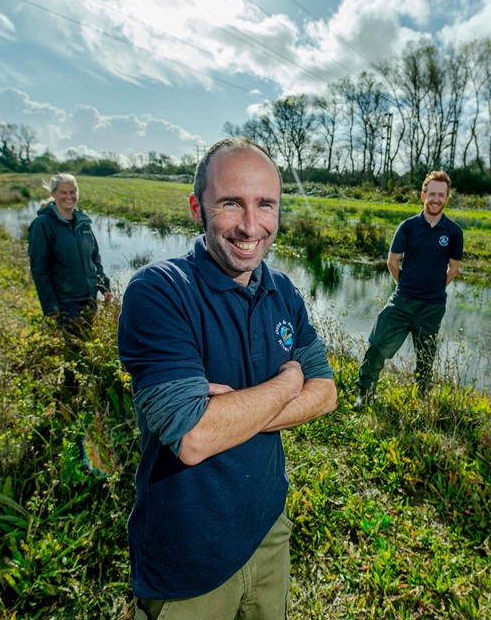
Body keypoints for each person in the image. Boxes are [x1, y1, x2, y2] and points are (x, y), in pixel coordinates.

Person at [117, 137, 337, 620]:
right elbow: (194, 439)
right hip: (187, 560)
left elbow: (325, 393)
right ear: (197, 206)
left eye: (266, 205)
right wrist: (284, 383)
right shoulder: (159, 292)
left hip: (267, 528)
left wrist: (230, 413)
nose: (250, 226)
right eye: (231, 203)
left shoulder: (283, 292)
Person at [354, 170, 464, 408]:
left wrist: (434, 288)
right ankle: (364, 391)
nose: (436, 199)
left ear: (447, 198)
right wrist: (404, 285)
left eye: (441, 195)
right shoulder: (408, 227)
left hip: (432, 307)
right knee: (378, 344)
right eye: (432, 193)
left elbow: (454, 269)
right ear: (423, 195)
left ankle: (421, 398)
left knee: (426, 356)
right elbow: (392, 262)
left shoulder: (454, 232)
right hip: (402, 301)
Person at [28, 173, 112, 337]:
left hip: (90, 297)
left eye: (72, 192)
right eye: (63, 192)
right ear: (53, 194)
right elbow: (39, 268)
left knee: (88, 341)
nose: (69, 196)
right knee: (75, 348)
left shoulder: (83, 222)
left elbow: (94, 257)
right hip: (66, 302)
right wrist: (50, 306)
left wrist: (104, 286)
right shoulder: (43, 224)